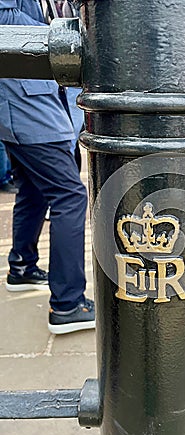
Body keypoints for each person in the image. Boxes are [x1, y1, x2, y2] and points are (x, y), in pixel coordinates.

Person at [0, 0, 95, 334]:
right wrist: (67, 33)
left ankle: (22, 266)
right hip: (27, 101)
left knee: (34, 188)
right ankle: (68, 304)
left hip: (23, 98)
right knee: (70, 196)